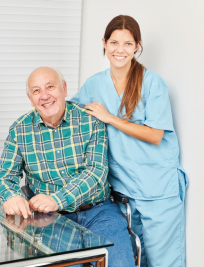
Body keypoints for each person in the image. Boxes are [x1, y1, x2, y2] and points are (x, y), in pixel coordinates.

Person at [71, 15, 187, 267]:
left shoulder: (152, 83)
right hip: (123, 192)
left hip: (158, 190)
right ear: (104, 43)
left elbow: (155, 135)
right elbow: (69, 113)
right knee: (137, 260)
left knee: (164, 261)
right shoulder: (94, 84)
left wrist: (110, 118)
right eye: (114, 43)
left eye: (127, 43)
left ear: (137, 46)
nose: (119, 50)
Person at [0, 66, 135, 267]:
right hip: (52, 219)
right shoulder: (19, 130)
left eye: (50, 87)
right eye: (36, 91)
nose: (44, 96)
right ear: (30, 98)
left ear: (64, 88)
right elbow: (3, 177)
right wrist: (11, 196)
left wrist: (57, 199)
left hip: (99, 211)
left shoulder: (91, 120)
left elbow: (96, 171)